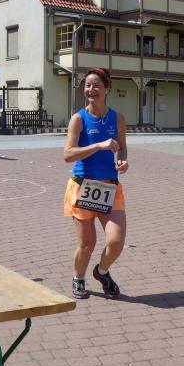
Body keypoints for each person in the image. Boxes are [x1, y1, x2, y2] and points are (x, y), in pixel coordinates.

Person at [63, 67, 128, 299]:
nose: (91, 90)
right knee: (87, 244)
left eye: (97, 86)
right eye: (88, 85)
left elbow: (122, 149)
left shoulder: (118, 119)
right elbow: (68, 155)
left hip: (109, 187)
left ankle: (101, 272)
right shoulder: (79, 119)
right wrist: (98, 146)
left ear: (107, 89)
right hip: (83, 187)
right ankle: (78, 278)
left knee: (116, 241)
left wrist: (122, 161)